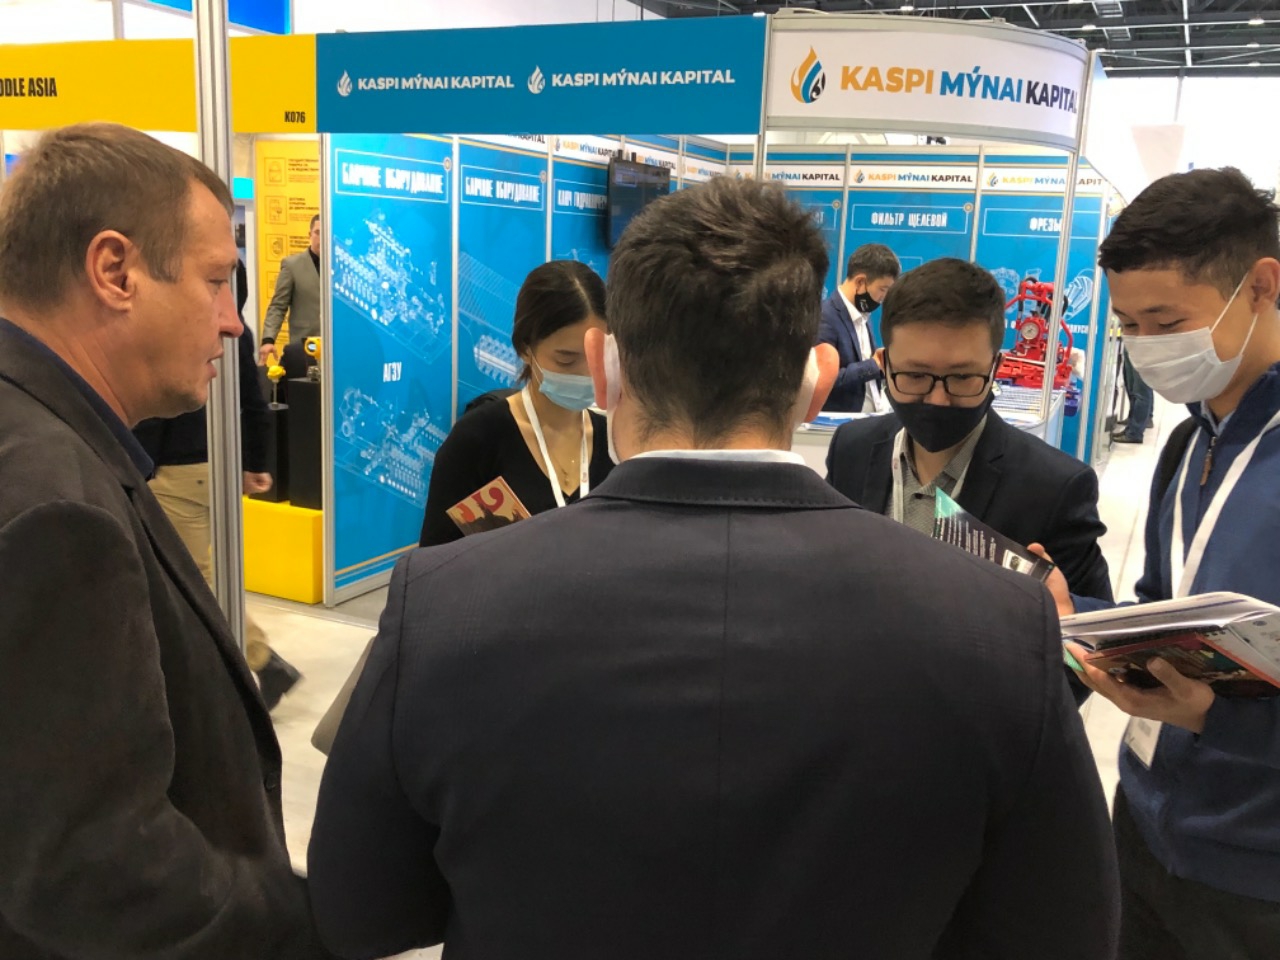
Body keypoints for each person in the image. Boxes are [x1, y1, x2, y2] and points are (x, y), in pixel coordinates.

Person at [308, 177, 1119, 960]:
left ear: (603, 367)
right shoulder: (1002, 626)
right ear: (816, 381)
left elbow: (361, 913)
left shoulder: (440, 605)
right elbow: (1064, 929)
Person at [0, 123, 322, 958]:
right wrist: (310, 925)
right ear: (115, 272)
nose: (233, 324)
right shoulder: (56, 510)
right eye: (216, 282)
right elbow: (91, 867)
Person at [1056, 167, 1280, 959]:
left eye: (1167, 321)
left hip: (1256, 876)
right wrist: (1076, 619)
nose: (1148, 347)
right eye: (1128, 324)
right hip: (1146, 827)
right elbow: (1163, 607)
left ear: (1261, 286)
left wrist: (1218, 719)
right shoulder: (1188, 444)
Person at [826, 257, 1113, 603]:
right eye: (915, 376)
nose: (938, 399)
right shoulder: (851, 450)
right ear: (884, 365)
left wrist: (1060, 615)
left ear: (995, 368)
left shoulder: (1054, 488)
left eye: (962, 377)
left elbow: (1098, 623)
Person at [133, 259, 303, 710]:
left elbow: (158, 411)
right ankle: (257, 663)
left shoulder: (180, 329)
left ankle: (259, 663)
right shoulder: (237, 331)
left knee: (195, 583)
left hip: (177, 472)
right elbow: (254, 401)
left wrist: (141, 466)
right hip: (216, 468)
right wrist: (253, 462)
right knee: (204, 574)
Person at [417, 260, 613, 547]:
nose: (586, 373)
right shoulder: (478, 441)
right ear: (525, 348)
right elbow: (436, 558)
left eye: (597, 356)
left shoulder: (616, 441)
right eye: (566, 359)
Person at [816, 242, 899, 412]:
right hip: (840, 421)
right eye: (882, 289)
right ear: (860, 282)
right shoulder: (825, 317)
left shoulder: (863, 314)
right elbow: (820, 379)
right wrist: (873, 365)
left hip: (872, 414)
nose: (883, 297)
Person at [260, 213, 322, 377]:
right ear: (309, 235)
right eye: (318, 232)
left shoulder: (341, 267)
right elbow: (278, 306)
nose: (322, 238)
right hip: (304, 348)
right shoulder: (292, 266)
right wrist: (268, 339)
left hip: (336, 349)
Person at [1114, 346, 1155, 444]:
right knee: (1132, 386)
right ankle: (1133, 424)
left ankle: (1134, 432)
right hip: (1134, 344)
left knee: (1141, 391)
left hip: (1144, 346)